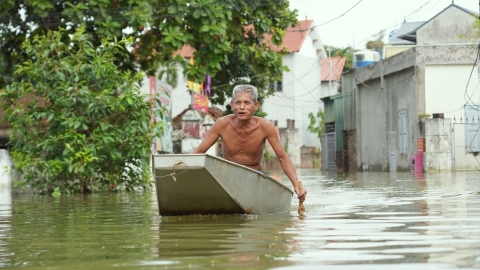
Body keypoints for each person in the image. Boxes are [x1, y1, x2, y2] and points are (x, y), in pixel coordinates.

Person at [192, 84, 307, 202]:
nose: (242, 107)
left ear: (256, 105)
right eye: (238, 103)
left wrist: (297, 186)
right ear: (232, 104)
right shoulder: (222, 124)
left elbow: (282, 157)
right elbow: (198, 152)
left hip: (255, 175)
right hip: (228, 176)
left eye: (247, 103)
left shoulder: (265, 127)